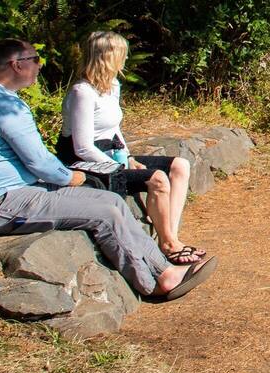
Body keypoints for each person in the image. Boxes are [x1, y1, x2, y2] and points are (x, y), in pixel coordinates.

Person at [0, 38, 215, 302]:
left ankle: (164, 271)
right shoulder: (1, 105)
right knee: (105, 211)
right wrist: (70, 177)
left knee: (109, 201)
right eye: (34, 60)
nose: (40, 66)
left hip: (7, 194)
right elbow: (38, 161)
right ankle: (152, 283)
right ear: (16, 65)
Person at [59, 31, 205, 265]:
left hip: (112, 153)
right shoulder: (82, 93)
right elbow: (83, 147)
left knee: (180, 166)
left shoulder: (112, 85)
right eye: (122, 55)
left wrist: (127, 156)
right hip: (84, 162)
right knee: (157, 179)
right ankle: (169, 245)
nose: (125, 60)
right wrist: (121, 165)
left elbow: (114, 129)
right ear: (107, 57)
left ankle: (169, 235)